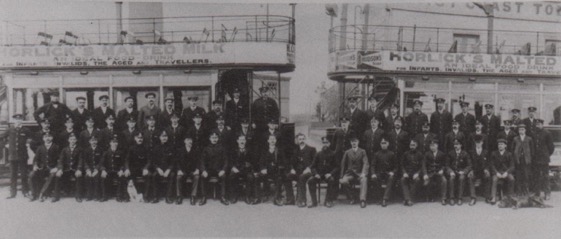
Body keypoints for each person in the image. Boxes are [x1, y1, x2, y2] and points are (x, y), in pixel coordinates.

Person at [257, 134, 293, 206]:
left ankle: (277, 198)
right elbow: (261, 162)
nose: (272, 140)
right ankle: (257, 197)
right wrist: (262, 169)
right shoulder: (264, 150)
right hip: (266, 172)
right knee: (256, 177)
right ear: (268, 141)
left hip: (276, 172)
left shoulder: (279, 150)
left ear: (276, 141)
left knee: (279, 178)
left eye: (274, 139)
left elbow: (284, 161)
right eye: (271, 139)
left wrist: (280, 168)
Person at [2, 114, 32, 199]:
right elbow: (1, 137)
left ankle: (25, 192)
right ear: (14, 120)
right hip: (13, 156)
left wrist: (28, 144)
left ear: (22, 120)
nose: (18, 121)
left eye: (20, 119)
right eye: (16, 119)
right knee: (13, 175)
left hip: (23, 156)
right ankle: (12, 193)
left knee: (23, 174)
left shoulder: (26, 130)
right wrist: (6, 145)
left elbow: (32, 138)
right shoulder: (10, 129)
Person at [200, 132, 229, 206]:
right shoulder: (206, 148)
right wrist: (203, 171)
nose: (214, 139)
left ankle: (222, 197)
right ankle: (204, 196)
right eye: (212, 138)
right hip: (209, 170)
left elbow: (226, 161)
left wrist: (223, 170)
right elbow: (202, 161)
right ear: (210, 139)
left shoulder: (222, 148)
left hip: (219, 170)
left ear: (218, 139)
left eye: (216, 138)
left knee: (223, 177)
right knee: (203, 176)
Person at [29, 132, 60, 202]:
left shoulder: (56, 147)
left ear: (52, 138)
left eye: (49, 136)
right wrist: (35, 166)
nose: (47, 138)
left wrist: (57, 168)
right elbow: (36, 159)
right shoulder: (40, 148)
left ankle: (41, 194)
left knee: (52, 176)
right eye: (45, 137)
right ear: (43, 139)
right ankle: (33, 194)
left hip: (52, 168)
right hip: (41, 168)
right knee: (31, 175)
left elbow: (60, 159)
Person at [309, 136, 339, 208]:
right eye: (323, 143)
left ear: (329, 144)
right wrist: (315, 174)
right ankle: (314, 202)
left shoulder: (333, 154)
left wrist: (330, 174)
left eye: (326, 143)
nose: (325, 144)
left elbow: (337, 166)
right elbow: (312, 166)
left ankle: (328, 201)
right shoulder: (318, 154)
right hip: (319, 175)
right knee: (310, 181)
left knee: (331, 180)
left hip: (328, 175)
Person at [339, 135, 369, 208]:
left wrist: (363, 173)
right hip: (350, 174)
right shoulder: (347, 152)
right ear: (350, 143)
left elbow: (366, 163)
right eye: (352, 142)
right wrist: (341, 176)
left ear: (358, 142)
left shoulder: (362, 151)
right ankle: (352, 197)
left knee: (364, 180)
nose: (354, 143)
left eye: (355, 141)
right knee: (343, 181)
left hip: (359, 173)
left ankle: (362, 200)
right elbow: (343, 164)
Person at [228, 134, 258, 204]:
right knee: (231, 176)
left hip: (246, 170)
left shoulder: (250, 150)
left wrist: (249, 167)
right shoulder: (233, 150)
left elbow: (253, 162)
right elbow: (230, 161)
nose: (242, 142)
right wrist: (233, 167)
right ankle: (234, 196)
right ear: (237, 141)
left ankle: (247, 196)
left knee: (250, 177)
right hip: (236, 169)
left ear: (245, 141)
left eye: (243, 140)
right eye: (240, 140)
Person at [290, 133, 317, 208]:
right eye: (300, 139)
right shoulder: (295, 150)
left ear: (305, 139)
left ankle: (302, 200)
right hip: (297, 171)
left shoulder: (311, 149)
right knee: (287, 176)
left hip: (308, 171)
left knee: (301, 177)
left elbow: (315, 162)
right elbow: (291, 162)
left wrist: (309, 168)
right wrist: (292, 169)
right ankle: (290, 199)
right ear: (297, 140)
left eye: (303, 139)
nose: (301, 141)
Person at [147, 130, 175, 204]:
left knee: (172, 175)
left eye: (165, 136)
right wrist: (158, 169)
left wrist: (168, 170)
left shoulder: (171, 147)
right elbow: (153, 161)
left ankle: (168, 197)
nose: (164, 138)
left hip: (168, 170)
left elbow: (173, 161)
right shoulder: (156, 148)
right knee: (154, 175)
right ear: (159, 137)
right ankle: (155, 197)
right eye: (162, 136)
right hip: (159, 169)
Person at [371, 138, 398, 207]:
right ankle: (380, 197)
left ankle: (385, 199)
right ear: (380, 144)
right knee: (374, 179)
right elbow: (373, 165)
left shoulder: (391, 154)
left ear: (388, 144)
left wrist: (392, 172)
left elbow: (396, 167)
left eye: (385, 143)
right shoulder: (376, 154)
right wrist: (373, 173)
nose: (384, 145)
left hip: (388, 173)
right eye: (382, 143)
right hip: (379, 173)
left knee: (391, 178)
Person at [447, 139, 475, 206]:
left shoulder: (465, 154)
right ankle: (452, 198)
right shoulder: (450, 153)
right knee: (451, 178)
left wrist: (464, 171)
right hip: (453, 171)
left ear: (461, 145)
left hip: (461, 171)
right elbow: (447, 165)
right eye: (454, 144)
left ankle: (460, 198)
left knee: (462, 178)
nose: (456, 146)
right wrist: (450, 171)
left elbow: (469, 165)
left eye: (457, 144)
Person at [56, 133, 83, 202]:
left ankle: (78, 196)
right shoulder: (64, 149)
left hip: (75, 169)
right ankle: (56, 196)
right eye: (71, 139)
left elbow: (81, 160)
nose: (72, 141)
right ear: (68, 140)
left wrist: (79, 169)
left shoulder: (79, 149)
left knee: (79, 176)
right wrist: (60, 169)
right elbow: (61, 160)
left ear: (76, 140)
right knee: (58, 176)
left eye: (74, 139)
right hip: (66, 169)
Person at [99, 136, 127, 202]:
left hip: (117, 171)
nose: (114, 144)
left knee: (121, 177)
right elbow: (101, 163)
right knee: (103, 177)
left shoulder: (120, 152)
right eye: (113, 142)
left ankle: (119, 196)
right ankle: (104, 196)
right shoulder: (106, 152)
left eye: (116, 142)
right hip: (108, 171)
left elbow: (123, 163)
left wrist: (121, 170)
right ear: (110, 143)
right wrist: (103, 170)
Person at [124, 132, 149, 202]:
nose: (140, 139)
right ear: (135, 138)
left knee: (149, 175)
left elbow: (149, 160)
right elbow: (127, 159)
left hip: (143, 168)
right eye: (138, 138)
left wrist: (146, 168)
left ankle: (146, 196)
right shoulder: (131, 148)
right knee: (127, 174)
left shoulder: (146, 148)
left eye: (141, 138)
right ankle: (127, 196)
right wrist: (127, 168)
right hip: (134, 168)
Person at [174, 137, 200, 205]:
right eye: (188, 141)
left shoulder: (196, 151)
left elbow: (198, 162)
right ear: (185, 142)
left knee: (196, 177)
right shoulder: (180, 150)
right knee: (178, 177)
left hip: (192, 171)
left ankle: (193, 196)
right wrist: (179, 170)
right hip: (183, 171)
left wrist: (197, 169)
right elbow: (177, 162)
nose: (189, 143)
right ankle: (179, 196)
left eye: (191, 141)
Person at [422, 139, 448, 205]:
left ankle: (443, 198)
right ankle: (430, 197)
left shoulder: (441, 154)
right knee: (426, 182)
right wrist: (425, 174)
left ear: (437, 146)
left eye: (433, 145)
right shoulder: (427, 154)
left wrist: (442, 170)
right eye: (431, 146)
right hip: (430, 173)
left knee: (444, 181)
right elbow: (424, 165)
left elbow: (444, 165)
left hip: (438, 173)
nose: (432, 147)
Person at [533, 119, 554, 200]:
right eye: (536, 124)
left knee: (545, 176)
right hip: (536, 159)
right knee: (536, 176)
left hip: (544, 159)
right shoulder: (533, 133)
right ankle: (537, 193)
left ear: (542, 124)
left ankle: (547, 193)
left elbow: (551, 147)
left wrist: (547, 155)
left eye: (539, 124)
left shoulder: (547, 133)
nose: (537, 125)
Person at [490, 139, 515, 204]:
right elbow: (492, 165)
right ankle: (493, 197)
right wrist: (496, 172)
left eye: (501, 144)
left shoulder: (509, 154)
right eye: (499, 144)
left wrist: (507, 172)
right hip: (497, 172)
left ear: (505, 146)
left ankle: (510, 196)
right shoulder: (494, 153)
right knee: (494, 180)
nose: (500, 146)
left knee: (512, 179)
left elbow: (512, 166)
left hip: (506, 172)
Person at [469, 135, 492, 203]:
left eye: (480, 142)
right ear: (475, 143)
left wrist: (487, 169)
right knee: (471, 177)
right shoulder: (471, 152)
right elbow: (469, 162)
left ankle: (487, 196)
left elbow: (489, 162)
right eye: (477, 142)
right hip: (475, 171)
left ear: (482, 143)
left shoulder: (486, 152)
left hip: (483, 171)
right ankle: (473, 197)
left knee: (488, 176)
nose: (478, 144)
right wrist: (471, 170)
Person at [512, 124, 534, 196]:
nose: (521, 131)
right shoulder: (515, 139)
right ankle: (518, 191)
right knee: (518, 176)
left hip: (526, 160)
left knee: (526, 176)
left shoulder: (529, 139)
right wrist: (515, 158)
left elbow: (532, 150)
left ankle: (526, 191)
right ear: (518, 131)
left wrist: (530, 158)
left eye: (522, 129)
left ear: (525, 130)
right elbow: (512, 150)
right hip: (518, 160)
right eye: (519, 129)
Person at [80, 135, 103, 201]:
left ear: (97, 141)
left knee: (97, 177)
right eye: (92, 141)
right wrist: (87, 170)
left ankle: (96, 195)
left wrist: (97, 169)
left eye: (95, 140)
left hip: (97, 169)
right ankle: (89, 195)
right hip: (89, 169)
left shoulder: (100, 149)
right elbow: (84, 161)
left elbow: (101, 161)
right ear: (89, 142)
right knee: (87, 177)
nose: (93, 142)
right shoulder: (86, 150)